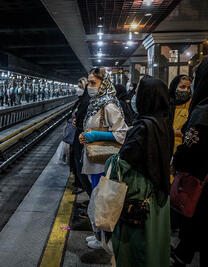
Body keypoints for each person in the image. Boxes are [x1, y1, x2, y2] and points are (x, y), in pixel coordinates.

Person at [105, 76, 173, 267]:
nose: (134, 97)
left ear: (146, 97)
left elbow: (121, 164)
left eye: (138, 93)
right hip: (160, 194)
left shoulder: (142, 127)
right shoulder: (165, 123)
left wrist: (110, 158)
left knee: (135, 249)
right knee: (156, 245)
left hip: (139, 198)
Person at [171, 60, 208, 267]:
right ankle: (183, 254)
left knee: (206, 236)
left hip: (205, 187)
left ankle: (182, 256)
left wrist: (176, 159)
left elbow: (189, 152)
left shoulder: (204, 113)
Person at [79, 68, 128, 250]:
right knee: (97, 199)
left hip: (104, 160)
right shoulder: (96, 104)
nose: (90, 86)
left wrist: (94, 136)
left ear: (103, 84)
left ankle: (106, 240)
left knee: (104, 200)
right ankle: (99, 236)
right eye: (89, 83)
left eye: (93, 83)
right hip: (94, 160)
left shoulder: (109, 105)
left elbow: (122, 133)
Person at [71, 77, 91, 197]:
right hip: (80, 133)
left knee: (80, 162)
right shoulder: (83, 99)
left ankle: (86, 187)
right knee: (79, 162)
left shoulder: (87, 100)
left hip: (83, 135)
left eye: (80, 87)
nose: (78, 89)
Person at [169, 75, 192, 153]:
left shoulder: (192, 105)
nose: (186, 90)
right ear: (174, 87)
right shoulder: (166, 103)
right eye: (182, 87)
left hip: (183, 151)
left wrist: (176, 132)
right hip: (165, 150)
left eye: (188, 88)